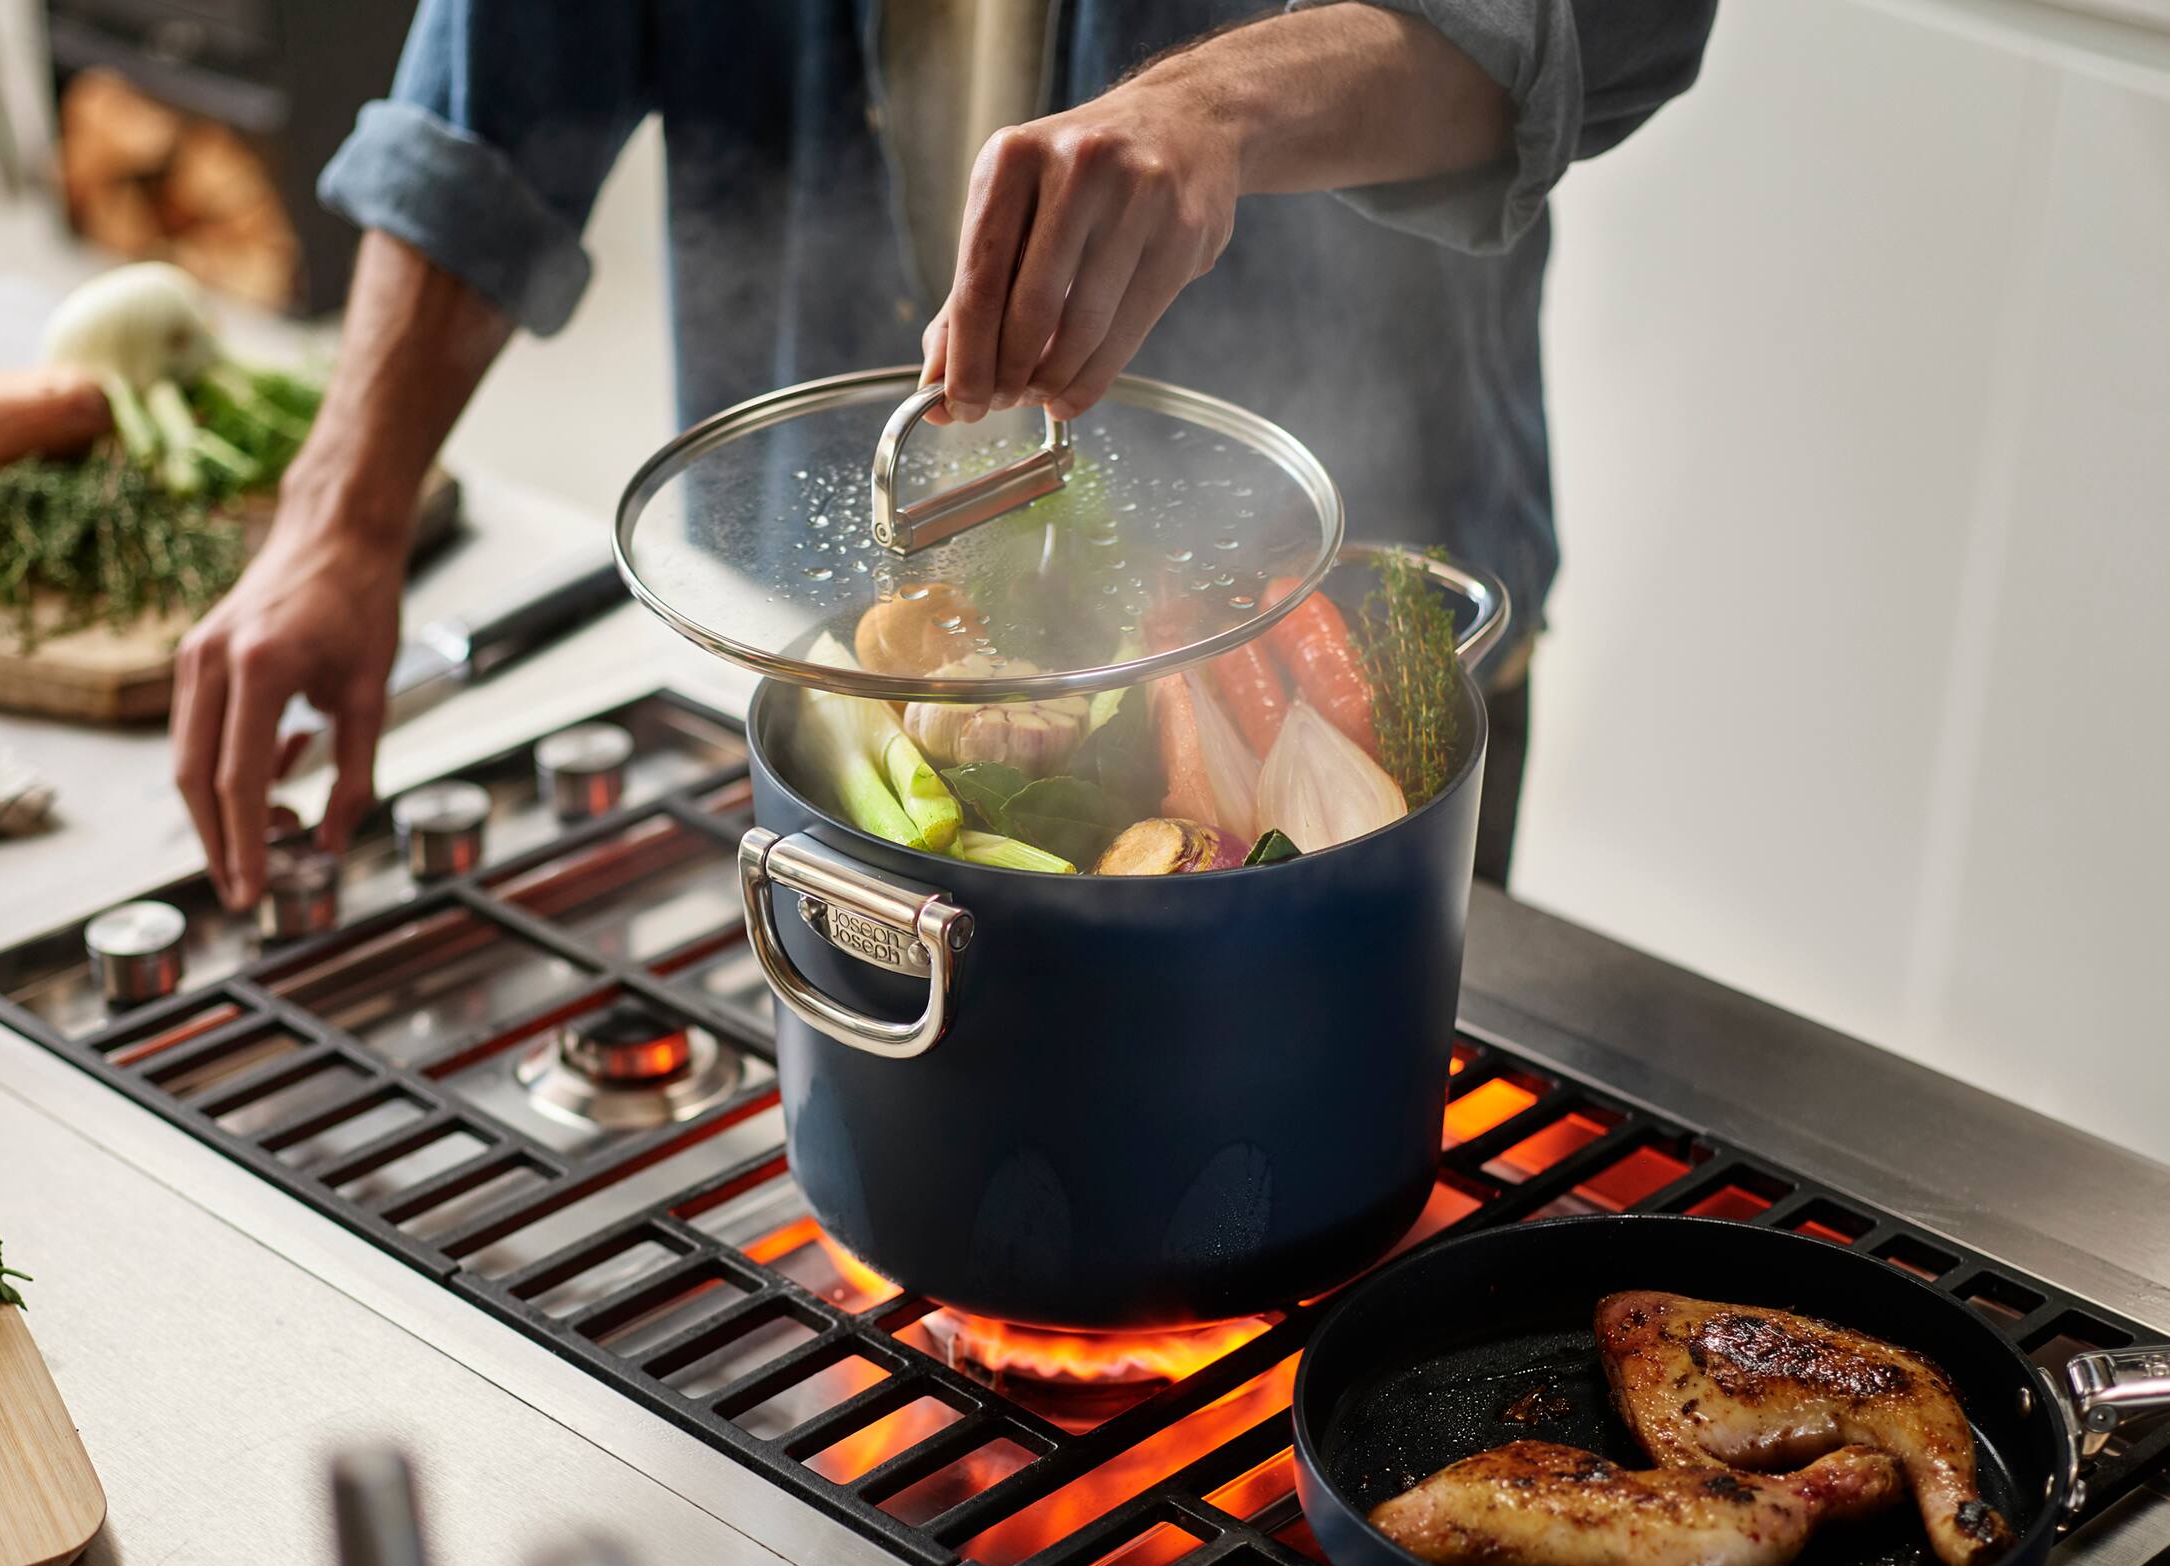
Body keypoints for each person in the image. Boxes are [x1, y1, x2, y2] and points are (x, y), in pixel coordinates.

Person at [174, 1, 1715, 912]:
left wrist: (1218, 109)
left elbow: (1617, 19)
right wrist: (342, 513)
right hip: (835, 672)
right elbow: (507, 54)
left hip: (1347, 659)